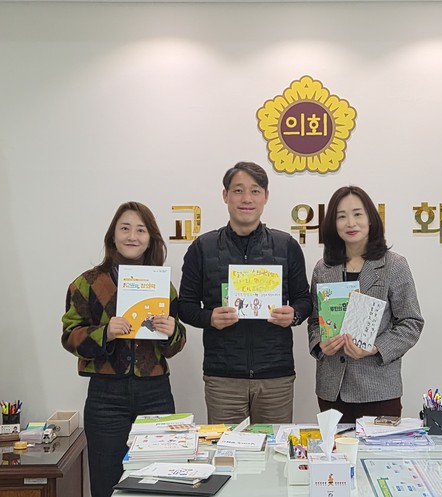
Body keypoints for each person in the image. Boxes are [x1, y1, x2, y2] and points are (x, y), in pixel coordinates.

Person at [61, 202, 186, 497]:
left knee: (159, 480)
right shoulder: (86, 284)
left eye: (141, 230)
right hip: (106, 396)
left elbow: (176, 344)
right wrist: (105, 332)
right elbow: (69, 337)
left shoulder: (162, 286)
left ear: (150, 238)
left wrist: (172, 332)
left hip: (155, 392)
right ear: (112, 235)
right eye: (125, 228)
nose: (132, 236)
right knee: (107, 480)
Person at [179, 161, 312, 424]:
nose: (247, 199)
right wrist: (209, 318)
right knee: (225, 449)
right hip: (223, 377)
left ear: (266, 196)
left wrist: (294, 314)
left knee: (275, 447)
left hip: (275, 375)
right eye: (238, 190)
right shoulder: (203, 247)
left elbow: (304, 300)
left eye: (255, 191)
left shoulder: (286, 245)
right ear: (225, 195)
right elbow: (184, 305)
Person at [307, 186, 424, 423]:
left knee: (380, 448)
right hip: (332, 390)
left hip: (379, 389)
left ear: (371, 218)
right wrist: (320, 343)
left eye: (358, 214)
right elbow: (314, 321)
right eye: (341, 216)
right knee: (334, 447)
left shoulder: (394, 265)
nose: (351, 223)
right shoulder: (323, 268)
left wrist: (375, 347)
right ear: (333, 224)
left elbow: (411, 323)